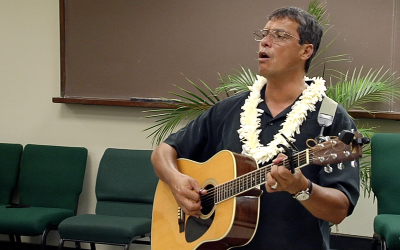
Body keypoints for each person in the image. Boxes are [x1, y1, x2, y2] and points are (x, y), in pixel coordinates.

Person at [151, 6, 359, 250]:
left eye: (280, 36)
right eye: (264, 34)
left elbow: (339, 210)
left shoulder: (330, 119)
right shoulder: (229, 109)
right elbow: (162, 152)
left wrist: (300, 187)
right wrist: (176, 181)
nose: (265, 43)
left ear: (306, 50)